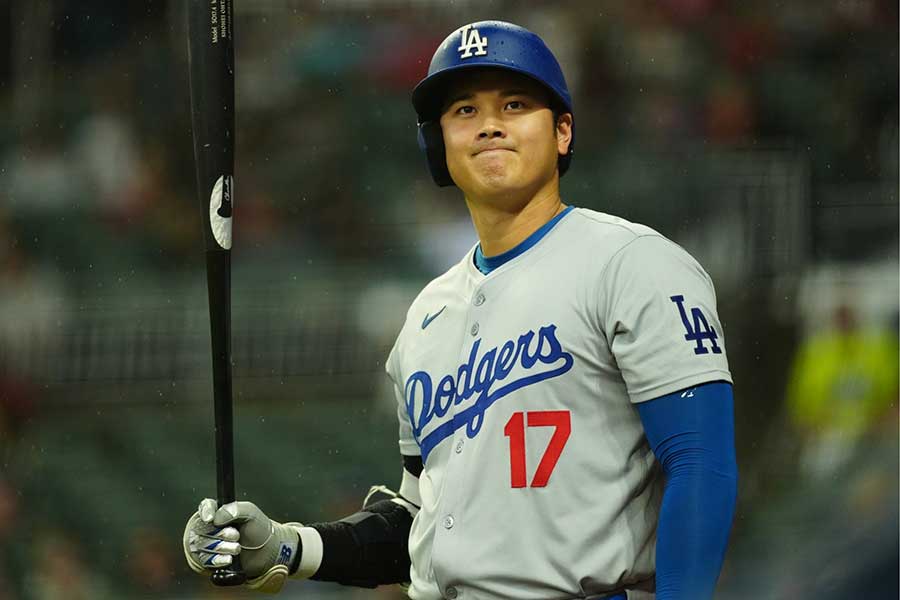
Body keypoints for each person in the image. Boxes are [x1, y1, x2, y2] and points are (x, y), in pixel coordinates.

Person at [183, 20, 738, 600]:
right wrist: (287, 547)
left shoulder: (633, 264)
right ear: (438, 143)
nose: (490, 124)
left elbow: (701, 464)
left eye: (516, 103)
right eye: (464, 110)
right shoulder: (425, 318)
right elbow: (418, 519)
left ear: (563, 131)